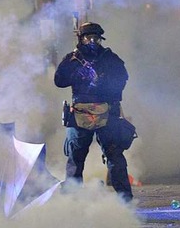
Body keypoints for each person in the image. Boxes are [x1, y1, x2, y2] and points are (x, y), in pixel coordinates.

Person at [54, 22, 133, 202]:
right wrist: (77, 73)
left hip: (107, 112)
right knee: (75, 158)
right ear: (81, 39)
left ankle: (125, 201)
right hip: (80, 112)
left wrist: (105, 85)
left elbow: (122, 78)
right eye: (88, 37)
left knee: (114, 155)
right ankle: (72, 201)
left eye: (95, 38)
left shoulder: (109, 58)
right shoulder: (72, 59)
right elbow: (59, 80)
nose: (92, 41)